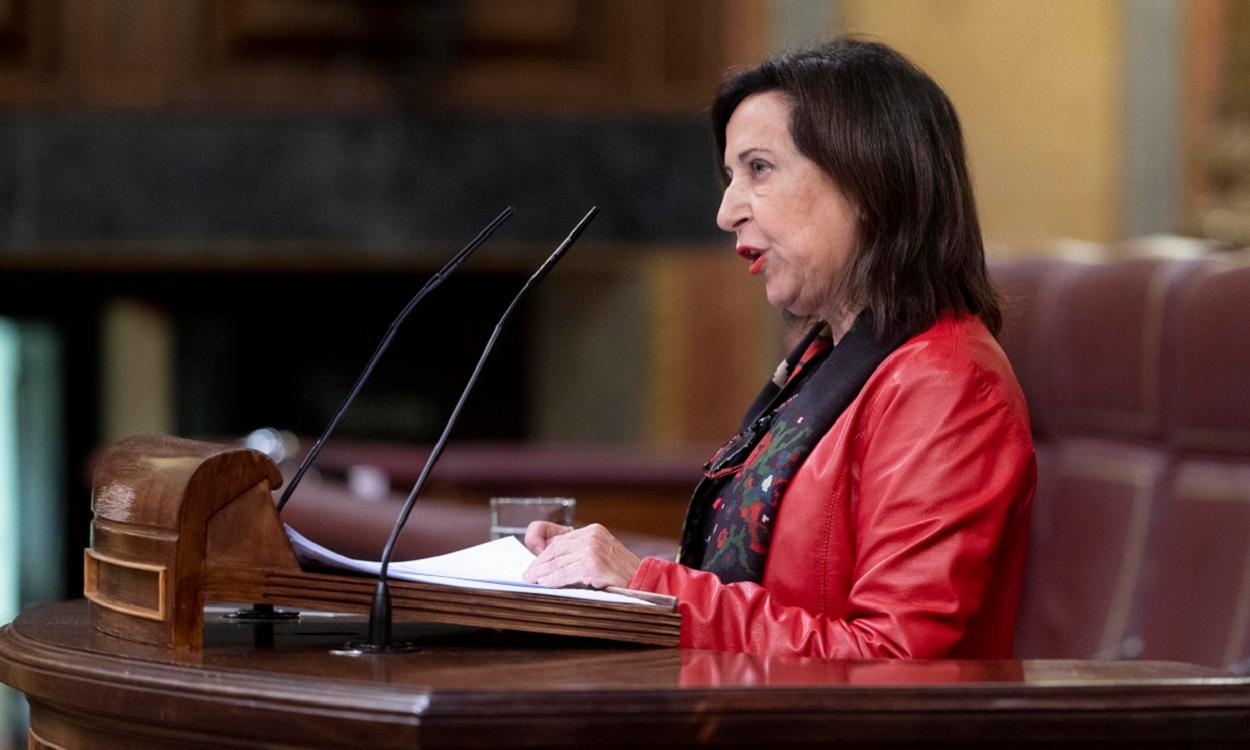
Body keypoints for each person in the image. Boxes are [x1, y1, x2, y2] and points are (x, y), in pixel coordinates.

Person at [522, 38, 1035, 659]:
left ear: (870, 181)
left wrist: (647, 585)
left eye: (758, 169)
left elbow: (896, 661)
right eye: (729, 176)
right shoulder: (827, 361)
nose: (726, 211)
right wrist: (607, 576)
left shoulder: (945, 381)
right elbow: (775, 592)